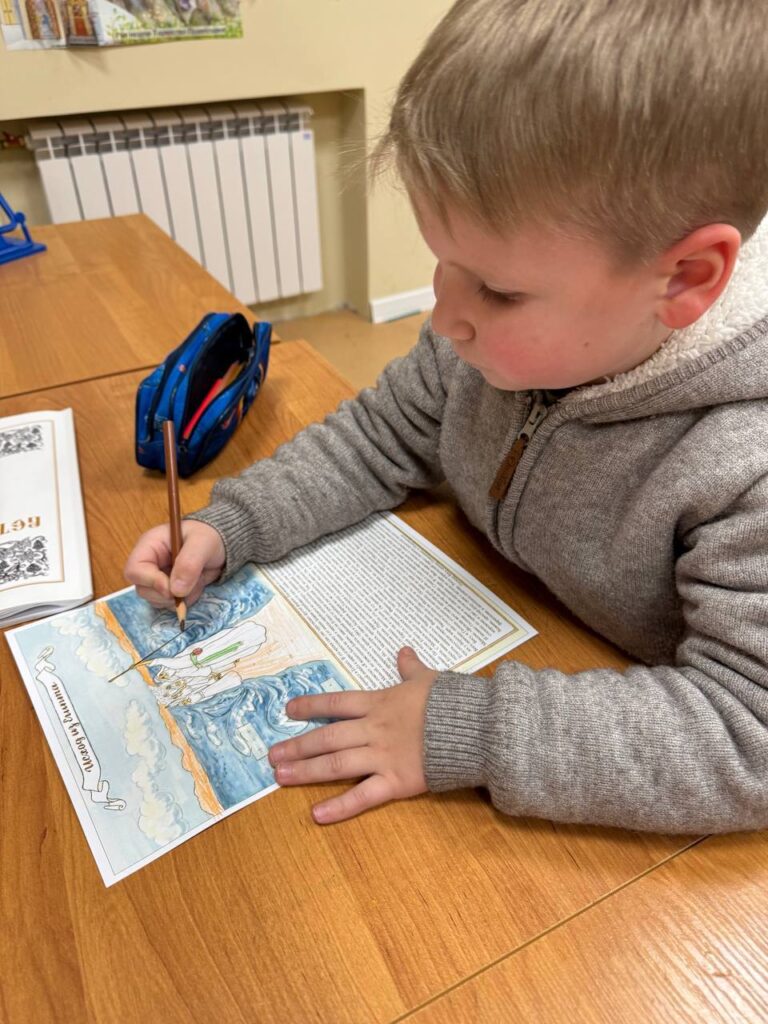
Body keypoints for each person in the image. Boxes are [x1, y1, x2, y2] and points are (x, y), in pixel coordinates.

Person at [125, 0, 768, 833]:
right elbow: (379, 437)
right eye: (441, 262)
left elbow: (747, 734)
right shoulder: (485, 344)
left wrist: (472, 732)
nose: (444, 316)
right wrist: (234, 524)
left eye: (497, 289)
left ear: (684, 279)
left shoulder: (744, 459)